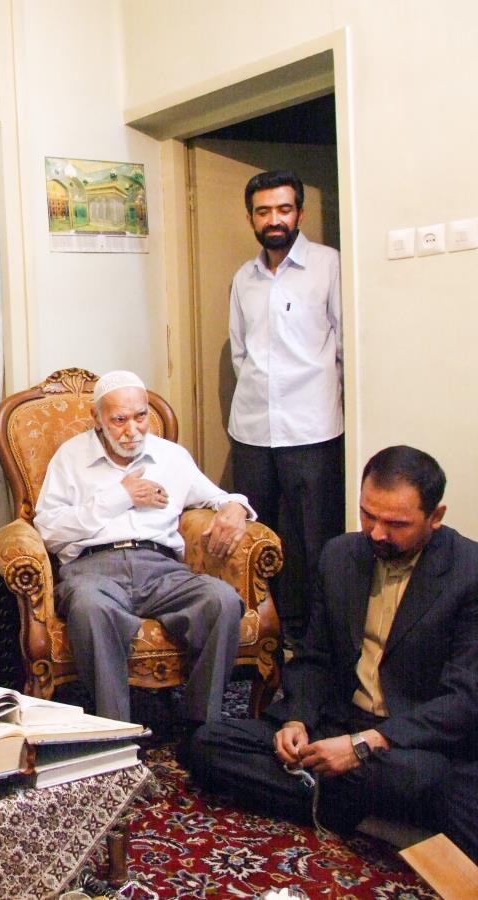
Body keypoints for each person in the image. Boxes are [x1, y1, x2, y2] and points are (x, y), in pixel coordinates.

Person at [186, 446, 478, 857]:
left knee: (420, 779)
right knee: (208, 744)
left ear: (436, 516)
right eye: (368, 515)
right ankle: (371, 818)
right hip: (339, 722)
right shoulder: (341, 555)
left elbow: (463, 701)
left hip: (409, 742)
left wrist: (364, 746)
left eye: (396, 524)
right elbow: (315, 657)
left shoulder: (468, 572)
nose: (377, 533)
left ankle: (336, 801)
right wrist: (298, 718)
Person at [34, 370, 253, 729]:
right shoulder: (70, 458)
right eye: (119, 420)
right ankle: (115, 733)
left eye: (141, 416)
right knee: (90, 608)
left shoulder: (171, 457)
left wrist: (236, 507)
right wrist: (121, 497)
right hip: (94, 570)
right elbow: (48, 529)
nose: (132, 430)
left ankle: (203, 730)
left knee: (222, 601)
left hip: (162, 570)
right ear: (97, 419)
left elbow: (217, 496)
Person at [228, 169, 344, 644]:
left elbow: (346, 348)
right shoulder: (244, 277)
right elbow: (240, 353)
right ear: (251, 218)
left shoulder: (329, 266)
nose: (273, 220)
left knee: (315, 541)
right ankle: (266, 637)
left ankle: (317, 642)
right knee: (258, 539)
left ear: (299, 212)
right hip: (253, 430)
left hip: (312, 429)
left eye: (283, 209)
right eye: (263, 212)